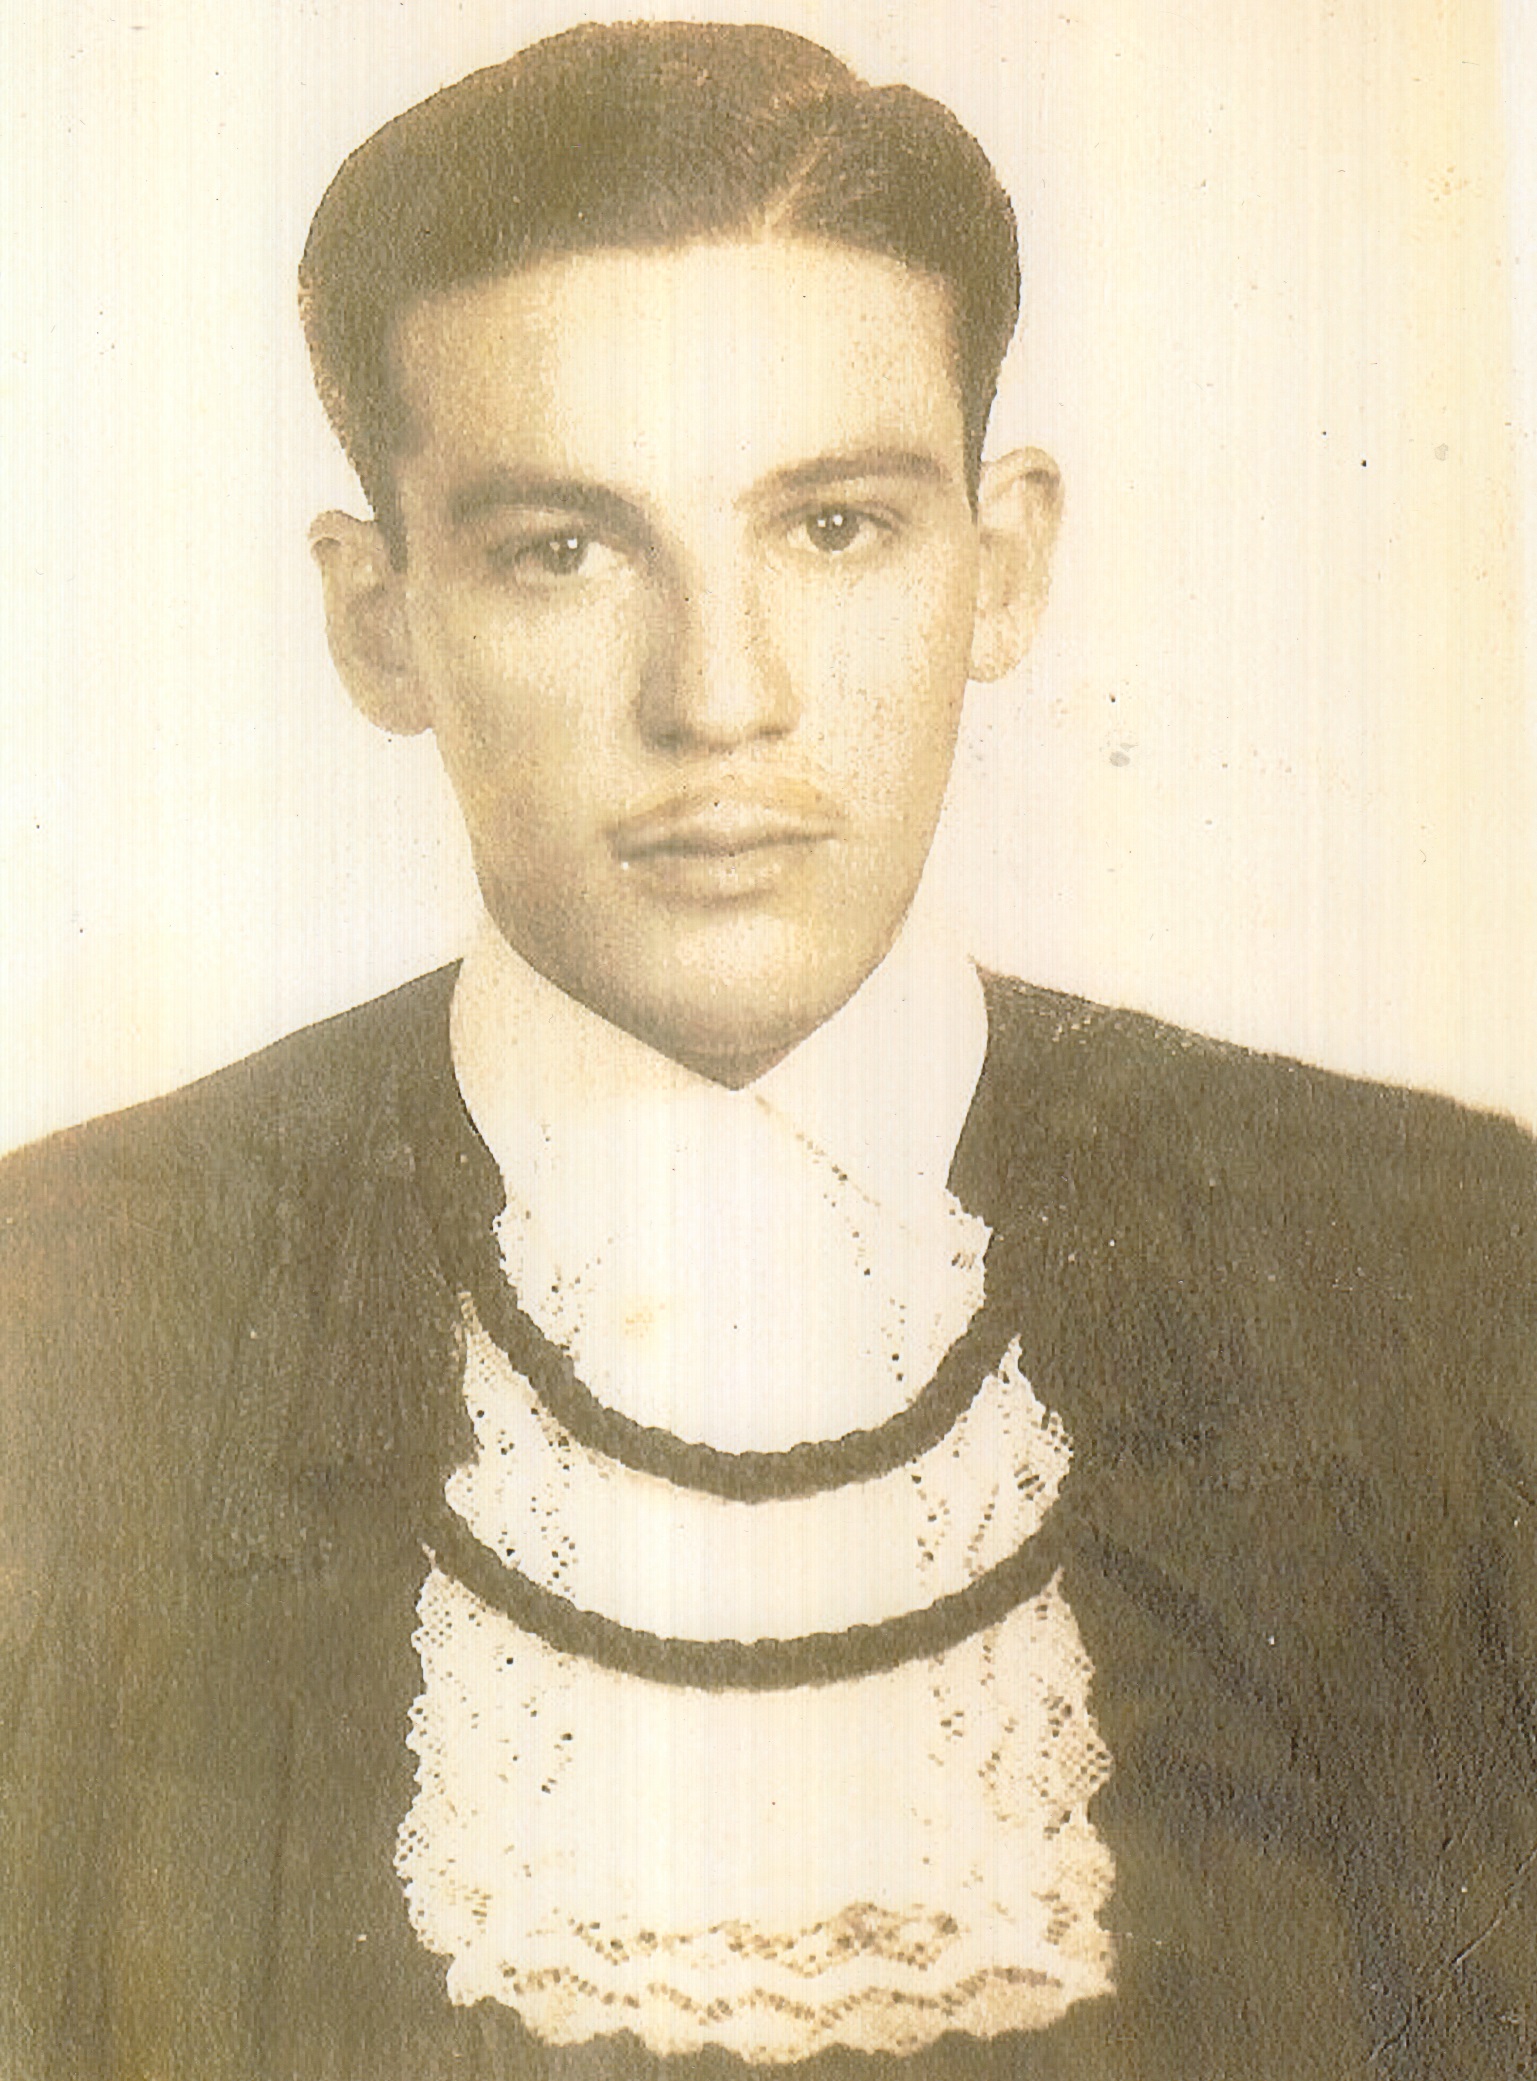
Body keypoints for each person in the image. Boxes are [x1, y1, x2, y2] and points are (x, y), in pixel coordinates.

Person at [2, 20, 1534, 2079]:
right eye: (563, 549)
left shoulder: (1452, 1277)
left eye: (832, 528)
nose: (718, 697)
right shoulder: (58, 1318)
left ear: (1000, 567)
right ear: (378, 621)